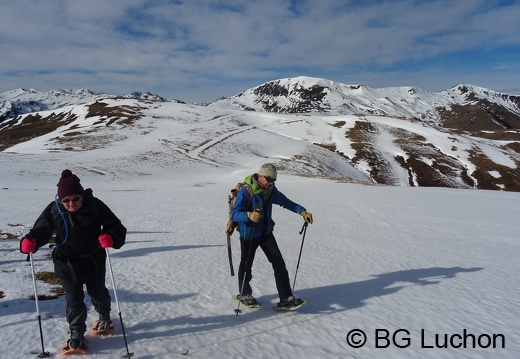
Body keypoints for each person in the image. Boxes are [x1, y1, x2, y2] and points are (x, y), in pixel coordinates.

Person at [20, 169, 126, 351]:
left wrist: (111, 237)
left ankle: (104, 317)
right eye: (66, 200)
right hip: (66, 262)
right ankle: (76, 332)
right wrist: (30, 241)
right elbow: (41, 230)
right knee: (74, 299)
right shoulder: (54, 209)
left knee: (97, 292)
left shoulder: (94, 205)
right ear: (60, 199)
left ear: (81, 195)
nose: (71, 203)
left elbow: (116, 227)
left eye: (75, 198)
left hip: (93, 260)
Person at [231, 163, 313, 309]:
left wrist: (302, 211)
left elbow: (285, 202)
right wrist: (249, 215)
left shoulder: (270, 190)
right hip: (248, 235)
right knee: (246, 265)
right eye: (269, 179)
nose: (271, 182)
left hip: (266, 233)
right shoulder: (246, 191)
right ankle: (244, 294)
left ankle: (286, 298)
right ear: (260, 176)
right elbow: (235, 213)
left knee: (279, 264)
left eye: (274, 180)